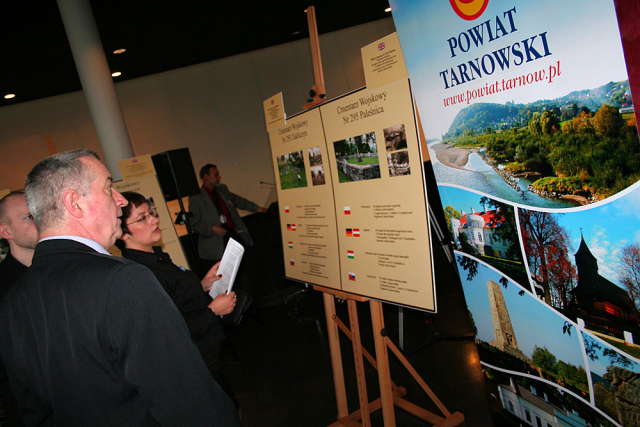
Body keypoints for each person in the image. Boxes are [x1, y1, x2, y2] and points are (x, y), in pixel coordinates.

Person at [0, 149, 240, 426]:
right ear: (74, 203)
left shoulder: (12, 301)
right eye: (108, 187)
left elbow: (31, 407)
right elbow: (186, 398)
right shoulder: (121, 280)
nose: (121, 200)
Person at [116, 191, 239, 409]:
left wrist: (203, 285)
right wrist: (212, 311)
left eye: (151, 213)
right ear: (122, 233)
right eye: (142, 218)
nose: (154, 220)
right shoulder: (140, 274)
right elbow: (171, 333)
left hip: (207, 357)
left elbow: (176, 300)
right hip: (193, 364)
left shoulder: (156, 257)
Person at [0, 191, 38, 427]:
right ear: (6, 232)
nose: (39, 221)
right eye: (28, 217)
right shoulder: (4, 286)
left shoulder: (66, 269)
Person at [188, 164, 266, 272]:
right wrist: (212, 228)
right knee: (226, 272)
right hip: (216, 244)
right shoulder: (196, 198)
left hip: (232, 234)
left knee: (246, 267)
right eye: (216, 175)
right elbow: (194, 224)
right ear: (206, 177)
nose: (219, 177)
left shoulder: (222, 190)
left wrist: (257, 208)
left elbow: (238, 201)